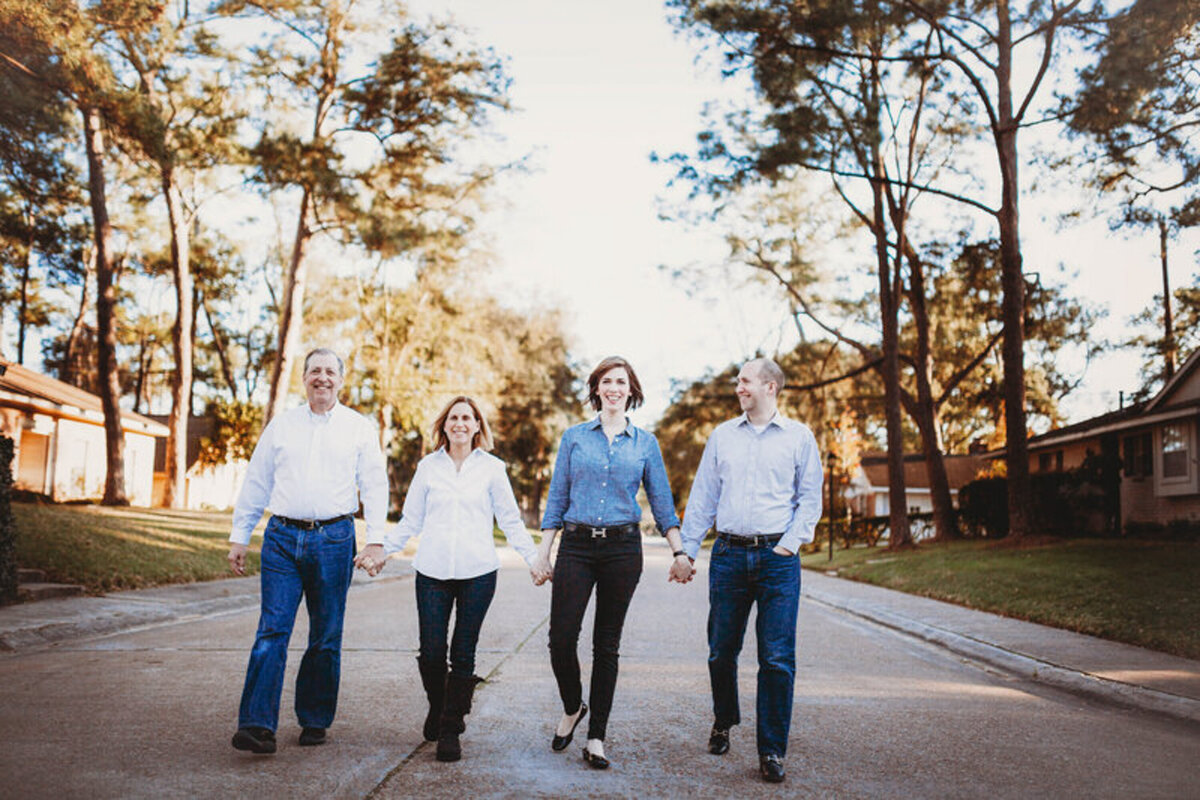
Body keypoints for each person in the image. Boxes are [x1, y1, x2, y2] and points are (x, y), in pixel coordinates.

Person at [355, 396, 551, 762]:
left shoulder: (493, 469)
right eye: (454, 417)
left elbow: (510, 520)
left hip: (478, 573)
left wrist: (534, 559)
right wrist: (380, 550)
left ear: (478, 426)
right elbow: (411, 520)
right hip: (432, 571)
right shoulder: (428, 467)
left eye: (468, 417)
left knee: (463, 653)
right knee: (431, 653)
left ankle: (450, 728)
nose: (460, 423)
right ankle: (441, 704)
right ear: (444, 425)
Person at [534, 355, 694, 770]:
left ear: (631, 390)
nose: (614, 388)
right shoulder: (574, 438)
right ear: (596, 388)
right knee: (561, 638)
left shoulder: (645, 443)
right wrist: (543, 552)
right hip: (577, 547)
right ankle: (573, 706)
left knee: (607, 645)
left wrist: (680, 551)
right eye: (607, 381)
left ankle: (597, 737)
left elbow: (662, 503)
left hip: (623, 550)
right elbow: (557, 499)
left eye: (621, 381)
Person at [227, 348, 389, 754]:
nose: (322, 377)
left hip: (334, 540)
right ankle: (257, 725)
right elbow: (256, 482)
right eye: (315, 370)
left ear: (341, 380)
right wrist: (240, 535)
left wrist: (376, 538)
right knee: (272, 630)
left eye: (330, 371)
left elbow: (374, 485)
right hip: (281, 538)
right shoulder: (282, 426)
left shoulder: (358, 428)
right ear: (304, 377)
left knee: (325, 635)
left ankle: (314, 718)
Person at [678, 357, 822, 784]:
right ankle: (725, 719)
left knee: (777, 659)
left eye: (744, 381)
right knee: (721, 651)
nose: (738, 387)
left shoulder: (799, 438)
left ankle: (772, 750)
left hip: (777, 562)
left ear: (770, 387)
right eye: (738, 381)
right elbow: (703, 497)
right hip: (728, 556)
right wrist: (686, 552)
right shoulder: (723, 436)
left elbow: (809, 499)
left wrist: (788, 545)